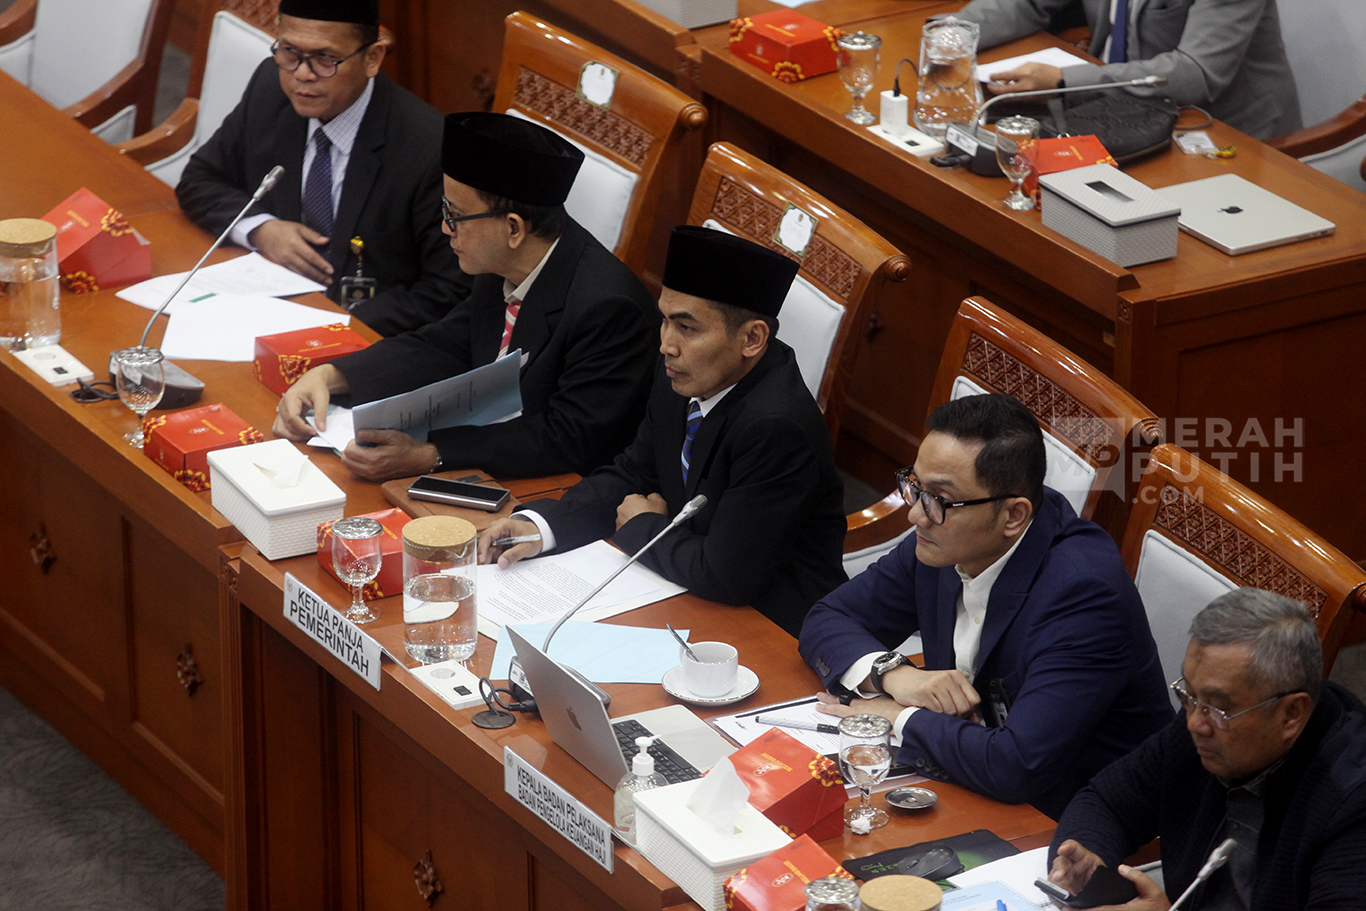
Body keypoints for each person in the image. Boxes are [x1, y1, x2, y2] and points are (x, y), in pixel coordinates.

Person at [800, 393, 1170, 819]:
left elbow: (1016, 765)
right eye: (914, 487)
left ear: (1014, 515)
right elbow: (828, 617)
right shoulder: (947, 537)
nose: (916, 515)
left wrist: (896, 718)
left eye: (938, 498)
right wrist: (895, 675)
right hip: (962, 776)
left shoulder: (1083, 596)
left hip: (1069, 824)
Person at [477, 225, 847, 637]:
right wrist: (542, 526)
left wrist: (640, 525)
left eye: (687, 328)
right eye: (665, 321)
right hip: (678, 588)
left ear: (752, 339)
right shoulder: (683, 372)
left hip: (770, 630)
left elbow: (725, 575)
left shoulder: (777, 428)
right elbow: (634, 472)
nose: (666, 344)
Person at [272, 112, 658, 481]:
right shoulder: (502, 261)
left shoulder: (609, 309)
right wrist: (333, 375)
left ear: (513, 229)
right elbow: (448, 344)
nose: (444, 227)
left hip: (565, 489)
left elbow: (566, 438)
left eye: (455, 215)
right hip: (499, 454)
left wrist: (430, 454)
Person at [1048, 588, 1366, 910]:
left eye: (1219, 708)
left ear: (1291, 714)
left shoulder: (1353, 804)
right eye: (1188, 695)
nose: (1194, 724)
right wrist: (1087, 863)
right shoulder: (1202, 729)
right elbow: (1107, 802)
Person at [176, 0, 470, 336]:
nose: (302, 74)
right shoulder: (271, 88)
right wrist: (262, 230)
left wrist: (324, 328)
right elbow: (199, 179)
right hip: (261, 306)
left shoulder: (428, 148)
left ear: (372, 58)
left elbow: (447, 291)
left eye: (325, 59)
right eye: (289, 52)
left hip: (365, 335)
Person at [953, 0, 1301, 140]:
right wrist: (951, 32)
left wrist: (1063, 81)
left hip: (1219, 131)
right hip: (1115, 110)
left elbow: (1195, 73)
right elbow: (1029, 2)